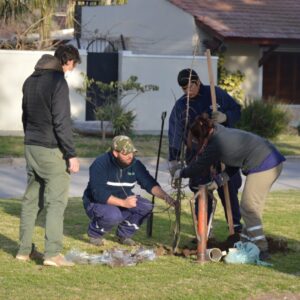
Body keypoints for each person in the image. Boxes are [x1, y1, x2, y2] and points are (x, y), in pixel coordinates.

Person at [174, 113, 285, 260]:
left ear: (203, 137)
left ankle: (261, 248)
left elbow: (198, 166)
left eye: (197, 140)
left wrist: (181, 173)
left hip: (264, 163)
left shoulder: (216, 143)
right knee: (252, 208)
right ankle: (245, 243)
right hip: (271, 160)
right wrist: (219, 181)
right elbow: (234, 163)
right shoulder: (220, 131)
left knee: (248, 207)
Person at [16, 45, 81, 267]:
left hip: (31, 146)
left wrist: (30, 140)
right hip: (51, 149)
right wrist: (71, 154)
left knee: (31, 199)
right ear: (68, 60)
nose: (72, 70)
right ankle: (52, 254)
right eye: (73, 65)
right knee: (56, 201)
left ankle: (24, 251)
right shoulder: (57, 82)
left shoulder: (30, 80)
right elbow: (61, 121)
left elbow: (25, 115)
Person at [168, 68, 243, 233]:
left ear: (197, 81)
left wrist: (226, 117)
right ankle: (203, 230)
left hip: (222, 150)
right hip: (198, 154)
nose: (188, 92)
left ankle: (236, 228)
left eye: (190, 87)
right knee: (202, 191)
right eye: (184, 89)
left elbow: (237, 110)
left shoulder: (215, 94)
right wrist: (173, 158)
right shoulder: (181, 105)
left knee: (228, 188)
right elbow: (175, 133)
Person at [82, 135, 177, 246]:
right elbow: (98, 194)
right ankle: (95, 234)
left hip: (123, 200)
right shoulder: (100, 164)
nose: (130, 156)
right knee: (113, 215)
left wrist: (167, 198)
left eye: (132, 152)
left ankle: (124, 235)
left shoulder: (135, 165)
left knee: (146, 206)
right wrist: (124, 203)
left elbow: (149, 184)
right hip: (96, 203)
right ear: (115, 153)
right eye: (125, 153)